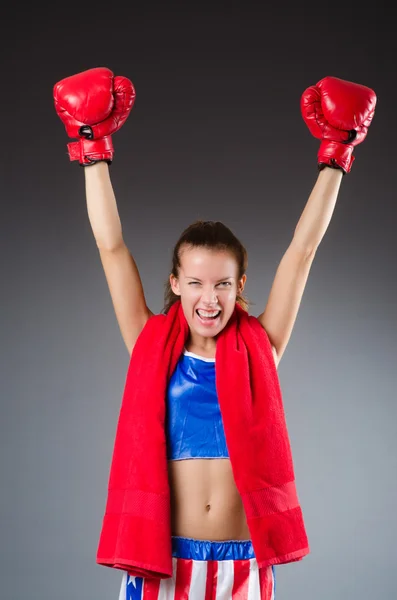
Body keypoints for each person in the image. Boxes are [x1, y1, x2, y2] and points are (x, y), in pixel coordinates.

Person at [53, 68, 376, 600]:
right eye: (196, 282)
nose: (210, 298)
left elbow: (303, 250)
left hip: (242, 566)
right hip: (163, 562)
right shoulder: (148, 341)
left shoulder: (262, 346)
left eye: (223, 284)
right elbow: (111, 247)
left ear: (240, 285)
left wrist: (335, 156)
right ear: (175, 283)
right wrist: (92, 147)